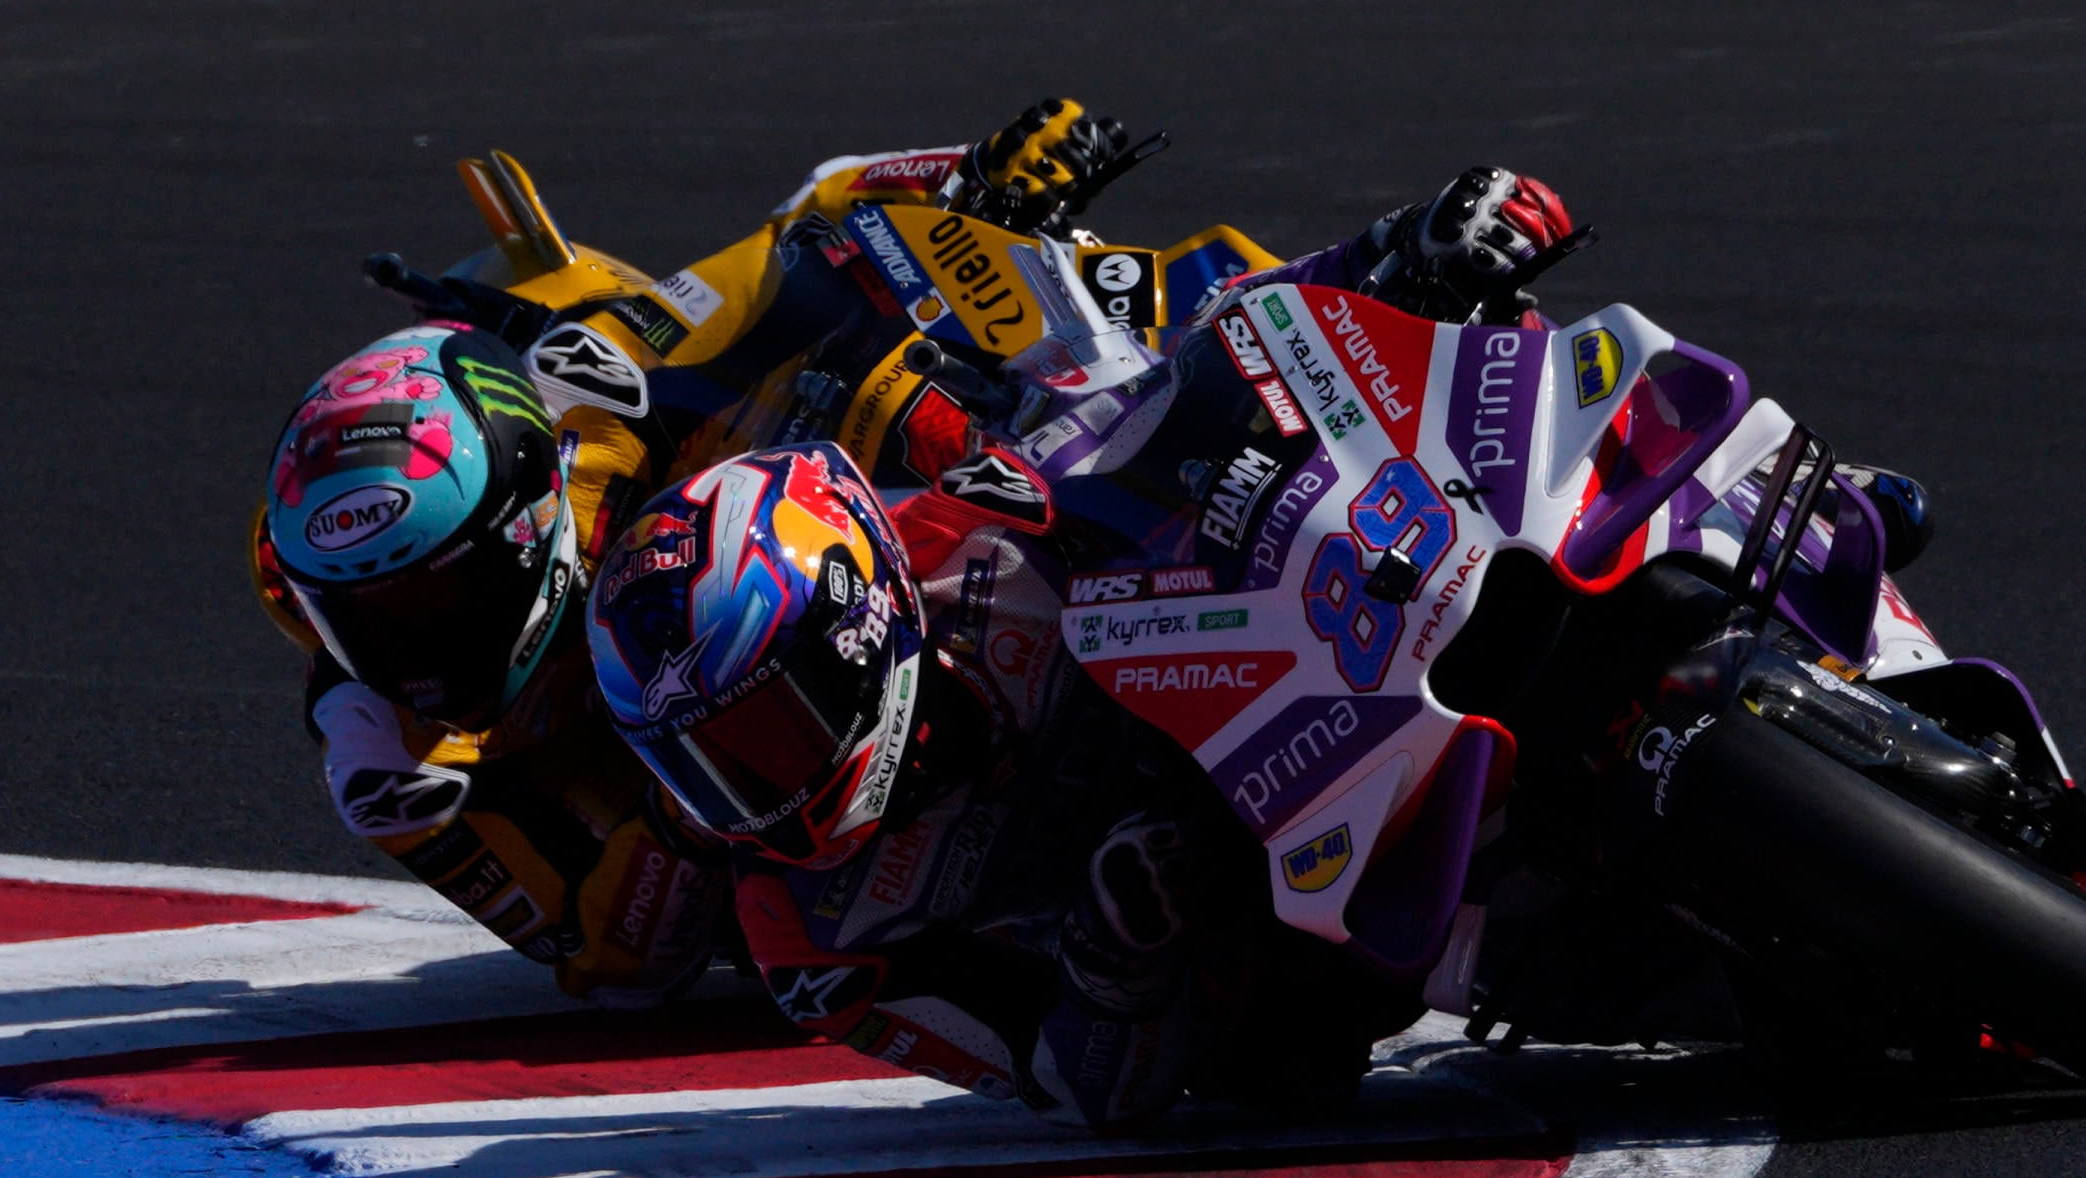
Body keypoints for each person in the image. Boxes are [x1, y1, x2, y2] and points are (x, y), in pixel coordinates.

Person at [587, 167, 1591, 1124]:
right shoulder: (812, 944)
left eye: (763, 730)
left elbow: (1197, 353)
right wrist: (1113, 949)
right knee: (1276, 1067)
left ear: (852, 630)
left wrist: (1399, 254)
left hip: (1301, 673)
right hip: (1257, 934)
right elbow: (1064, 1089)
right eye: (707, 762)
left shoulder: (953, 529)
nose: (752, 787)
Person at [251, 101, 1174, 1002]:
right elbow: (610, 961)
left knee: (916, 396)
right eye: (361, 616)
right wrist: (690, 814)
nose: (411, 651)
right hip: (735, 831)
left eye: (435, 598)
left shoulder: (590, 401)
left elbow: (804, 229)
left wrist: (969, 188)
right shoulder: (387, 760)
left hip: (776, 575)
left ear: (522, 519)